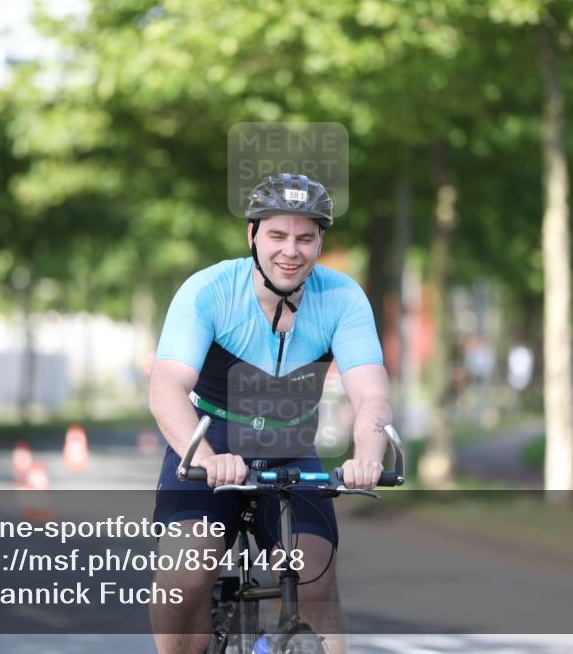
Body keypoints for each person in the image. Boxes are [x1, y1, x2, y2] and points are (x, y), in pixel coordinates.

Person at [148, 173, 393, 654]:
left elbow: (372, 397)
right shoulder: (210, 290)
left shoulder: (342, 298)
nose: (291, 251)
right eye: (277, 235)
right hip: (209, 444)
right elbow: (166, 389)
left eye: (305, 238)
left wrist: (368, 455)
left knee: (315, 578)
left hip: (289, 449)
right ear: (252, 235)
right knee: (184, 577)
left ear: (321, 241)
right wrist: (205, 458)